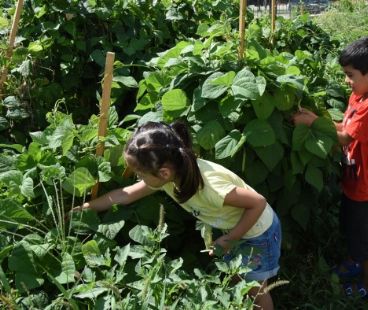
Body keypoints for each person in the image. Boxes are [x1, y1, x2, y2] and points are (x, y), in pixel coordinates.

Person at [71, 121, 281, 310]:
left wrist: (230, 238)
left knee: (256, 289)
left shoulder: (211, 188)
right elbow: (124, 195)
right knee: (238, 277)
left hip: (257, 231)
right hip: (236, 228)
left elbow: (258, 203)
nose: (138, 178)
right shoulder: (172, 176)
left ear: (163, 172)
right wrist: (86, 208)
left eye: (140, 174)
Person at [293, 36, 368, 300]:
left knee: (365, 239)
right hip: (354, 180)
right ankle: (354, 261)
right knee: (351, 228)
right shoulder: (359, 95)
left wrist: (312, 121)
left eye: (350, 75)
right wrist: (319, 120)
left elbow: (346, 137)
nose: (347, 81)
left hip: (367, 185)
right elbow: (346, 127)